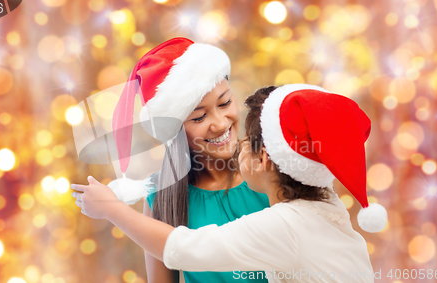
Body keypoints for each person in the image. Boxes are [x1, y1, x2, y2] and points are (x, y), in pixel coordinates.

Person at [71, 83, 388, 283]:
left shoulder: (283, 225)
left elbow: (183, 249)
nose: (223, 126)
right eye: (199, 116)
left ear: (263, 158)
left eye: (248, 142)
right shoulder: (324, 202)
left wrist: (112, 209)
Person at [75, 37, 270, 283]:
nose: (221, 123)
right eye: (199, 117)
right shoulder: (162, 199)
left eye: (225, 102)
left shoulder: (269, 167)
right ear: (173, 132)